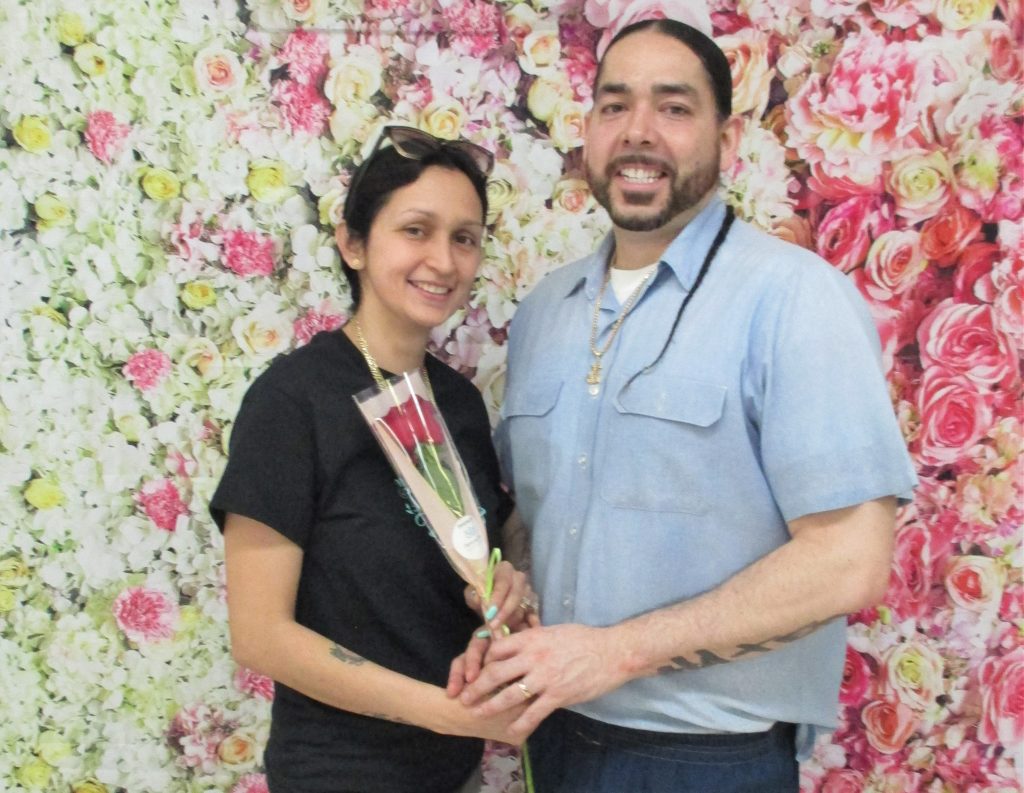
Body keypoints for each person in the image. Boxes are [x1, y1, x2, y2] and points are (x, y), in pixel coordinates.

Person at [451, 18, 918, 793]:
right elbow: (541, 511)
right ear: (588, 132)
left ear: (727, 142)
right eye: (614, 105)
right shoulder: (544, 313)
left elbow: (850, 559)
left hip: (706, 759)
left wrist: (616, 651)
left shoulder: (794, 299)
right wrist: (515, 584)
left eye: (673, 107)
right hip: (553, 738)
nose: (639, 132)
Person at [211, 126, 537, 793]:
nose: (443, 261)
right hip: (339, 773)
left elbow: (489, 543)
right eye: (416, 230)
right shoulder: (291, 401)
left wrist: (514, 582)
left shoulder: (459, 402)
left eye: (464, 238)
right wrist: (442, 713)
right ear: (353, 243)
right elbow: (260, 635)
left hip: (453, 774)